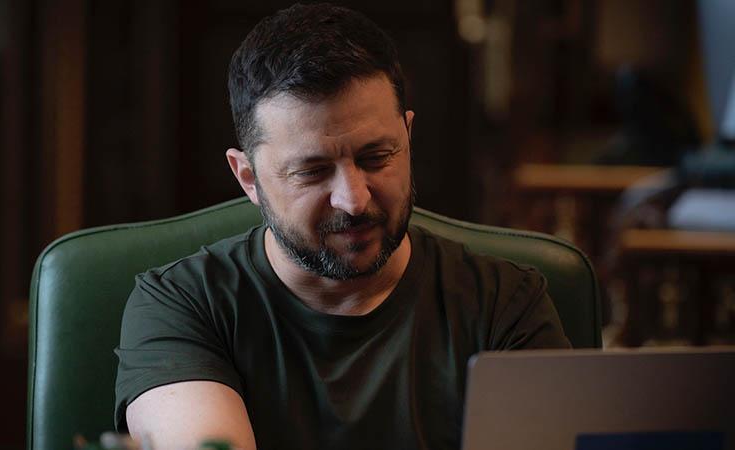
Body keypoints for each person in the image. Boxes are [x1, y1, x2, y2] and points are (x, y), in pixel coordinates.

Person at [114, 3, 570, 449]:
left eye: (377, 157)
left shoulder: (503, 303)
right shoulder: (183, 305)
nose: (353, 200)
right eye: (312, 171)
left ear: (408, 139)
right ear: (248, 178)